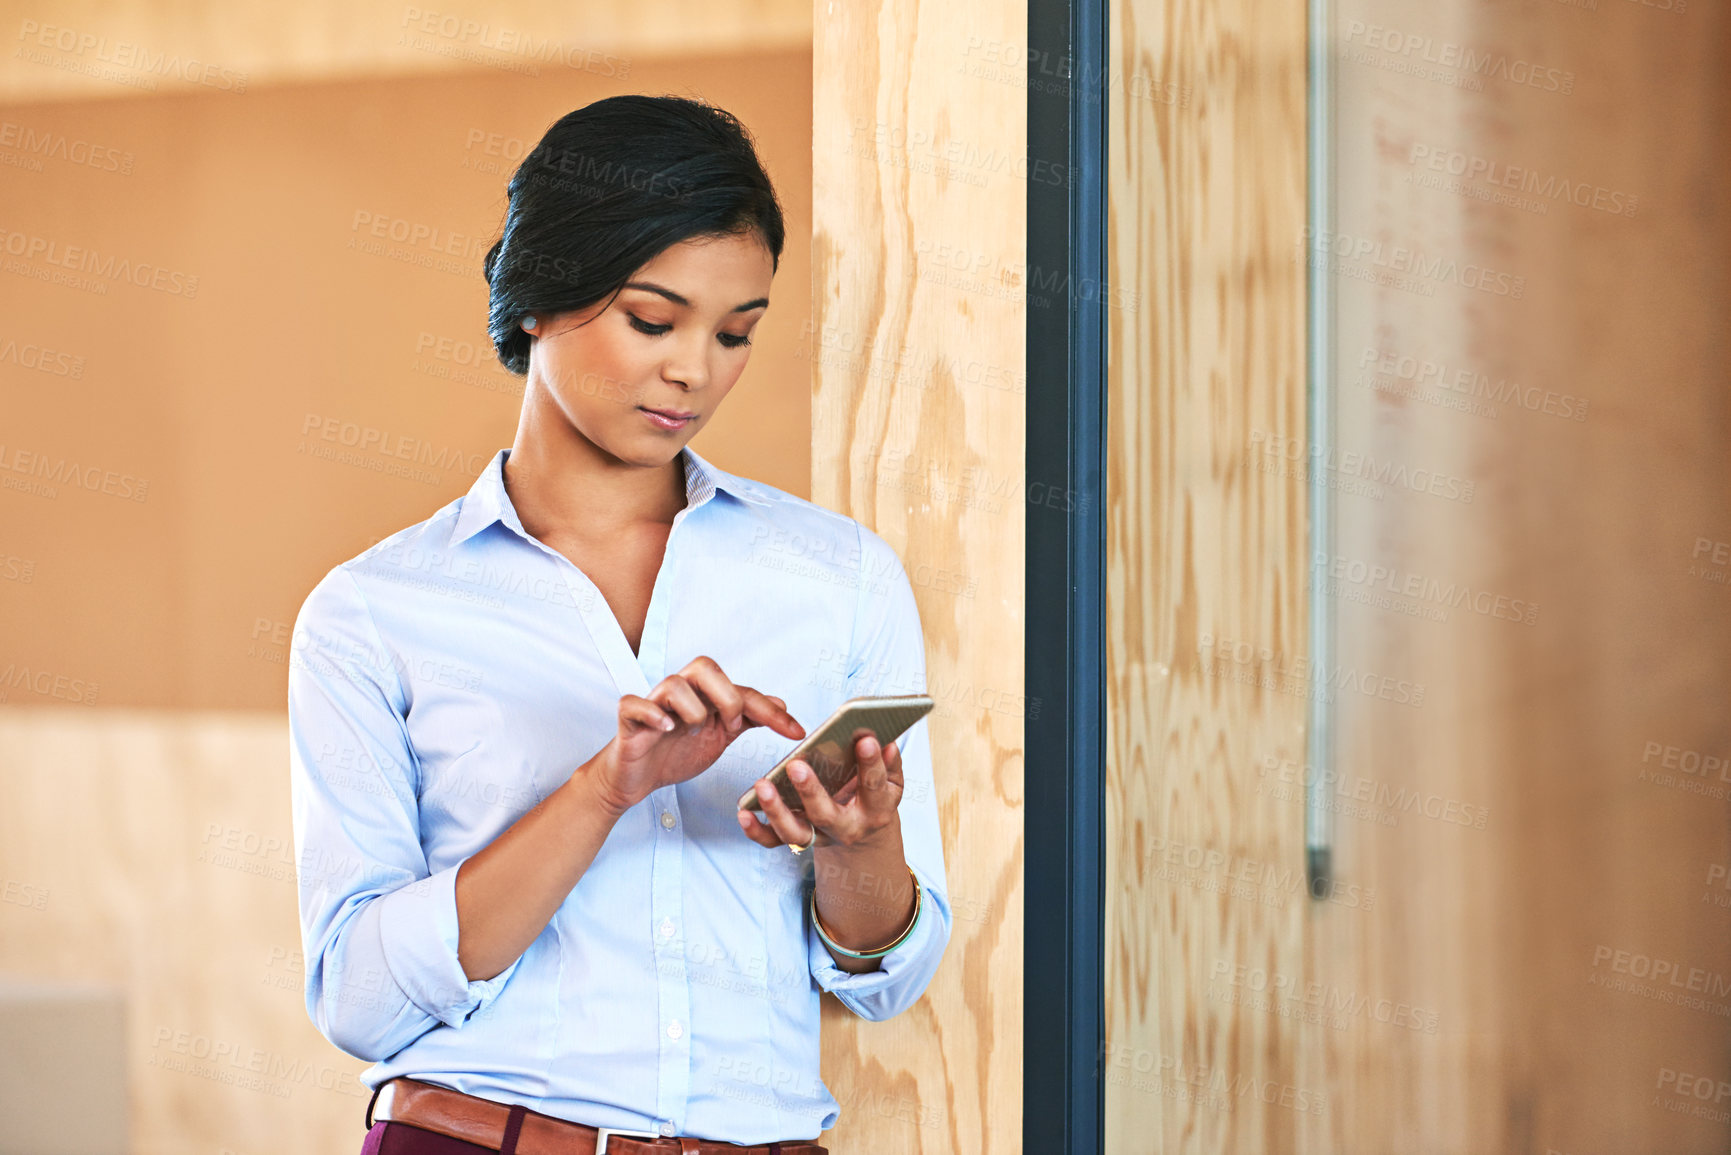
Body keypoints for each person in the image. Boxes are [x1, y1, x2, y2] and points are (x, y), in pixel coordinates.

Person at [286, 95, 950, 1155]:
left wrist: (858, 846)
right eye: (655, 320)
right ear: (544, 295)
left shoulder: (841, 579)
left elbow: (886, 978)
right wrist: (606, 788)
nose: (697, 369)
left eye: (737, 333)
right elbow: (359, 1000)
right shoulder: (374, 613)